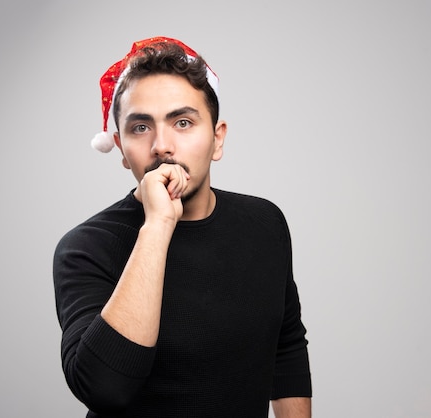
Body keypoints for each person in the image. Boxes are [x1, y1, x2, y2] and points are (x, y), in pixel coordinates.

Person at [53, 36, 312, 418]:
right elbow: (105, 388)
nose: (162, 145)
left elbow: (285, 348)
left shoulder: (264, 223)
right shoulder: (87, 247)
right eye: (140, 127)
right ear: (122, 150)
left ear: (217, 138)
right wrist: (157, 225)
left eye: (183, 122)